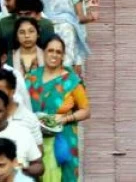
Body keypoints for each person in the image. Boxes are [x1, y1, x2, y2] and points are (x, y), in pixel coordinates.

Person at [26, 35, 89, 181]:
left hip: (63, 138)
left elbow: (86, 111)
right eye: (50, 51)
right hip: (36, 137)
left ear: (63, 56)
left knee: (66, 176)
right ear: (43, 53)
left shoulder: (71, 81)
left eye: (58, 52)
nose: (54, 55)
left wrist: (66, 118)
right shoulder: (31, 78)